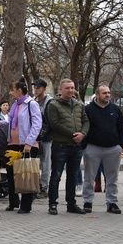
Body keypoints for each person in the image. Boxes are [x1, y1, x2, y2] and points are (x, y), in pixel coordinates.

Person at [44, 78, 89, 215]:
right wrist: (73, 134)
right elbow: (54, 123)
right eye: (67, 88)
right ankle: (53, 203)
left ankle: (71, 204)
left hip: (76, 146)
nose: (70, 90)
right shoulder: (53, 105)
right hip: (60, 145)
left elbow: (86, 120)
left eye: (72, 87)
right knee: (56, 175)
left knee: (73, 176)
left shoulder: (79, 105)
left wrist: (82, 134)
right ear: (60, 90)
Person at [81, 84, 123, 215]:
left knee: (112, 178)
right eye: (104, 93)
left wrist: (120, 145)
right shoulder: (88, 109)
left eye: (108, 93)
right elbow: (83, 126)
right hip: (93, 148)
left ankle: (112, 202)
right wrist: (85, 146)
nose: (107, 95)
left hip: (113, 149)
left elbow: (121, 128)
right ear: (97, 94)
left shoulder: (115, 109)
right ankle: (88, 202)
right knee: (89, 177)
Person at [3, 79, 42, 214]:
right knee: (11, 173)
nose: (11, 92)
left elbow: (37, 124)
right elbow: (11, 121)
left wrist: (29, 143)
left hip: (26, 145)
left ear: (19, 90)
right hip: (13, 143)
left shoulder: (31, 104)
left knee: (26, 174)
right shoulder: (15, 104)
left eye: (12, 89)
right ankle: (13, 201)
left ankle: (26, 205)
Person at [32, 78, 52, 194]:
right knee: (35, 161)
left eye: (38, 87)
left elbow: (50, 121)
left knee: (45, 162)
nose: (36, 89)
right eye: (35, 87)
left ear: (44, 89)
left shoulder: (49, 102)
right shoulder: (34, 101)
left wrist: (44, 134)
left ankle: (44, 186)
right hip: (35, 136)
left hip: (46, 136)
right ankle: (36, 184)